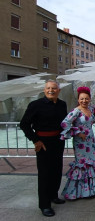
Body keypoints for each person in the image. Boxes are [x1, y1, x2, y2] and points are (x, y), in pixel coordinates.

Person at [20, 80, 67, 217]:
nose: (51, 90)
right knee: (45, 174)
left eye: (53, 88)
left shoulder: (62, 104)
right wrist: (35, 140)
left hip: (58, 141)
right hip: (43, 143)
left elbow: (65, 123)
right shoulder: (36, 105)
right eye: (48, 88)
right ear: (44, 89)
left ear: (59, 90)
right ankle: (44, 205)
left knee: (57, 170)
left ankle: (53, 195)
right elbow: (24, 124)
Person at [60, 86, 95, 199]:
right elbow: (64, 123)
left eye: (86, 98)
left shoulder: (90, 109)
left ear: (90, 99)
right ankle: (80, 191)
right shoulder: (76, 111)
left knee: (92, 162)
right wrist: (77, 132)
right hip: (80, 143)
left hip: (91, 141)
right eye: (82, 99)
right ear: (78, 99)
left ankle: (94, 189)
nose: (84, 101)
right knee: (82, 164)